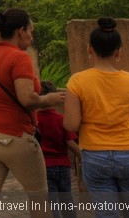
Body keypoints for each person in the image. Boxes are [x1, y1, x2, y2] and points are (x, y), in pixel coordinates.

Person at [0, 7, 65, 218]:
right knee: (39, 197)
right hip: (11, 135)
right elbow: (27, 98)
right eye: (31, 30)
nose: (32, 36)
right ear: (21, 31)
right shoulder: (19, 58)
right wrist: (48, 99)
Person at [64, 17, 129, 218]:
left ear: (89, 49)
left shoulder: (77, 81)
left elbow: (70, 124)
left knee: (106, 214)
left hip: (94, 154)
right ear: (118, 50)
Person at [37, 80, 81, 218]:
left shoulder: (34, 121)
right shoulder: (61, 119)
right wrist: (82, 157)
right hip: (63, 165)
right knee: (67, 199)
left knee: (52, 202)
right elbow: (71, 143)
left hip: (44, 166)